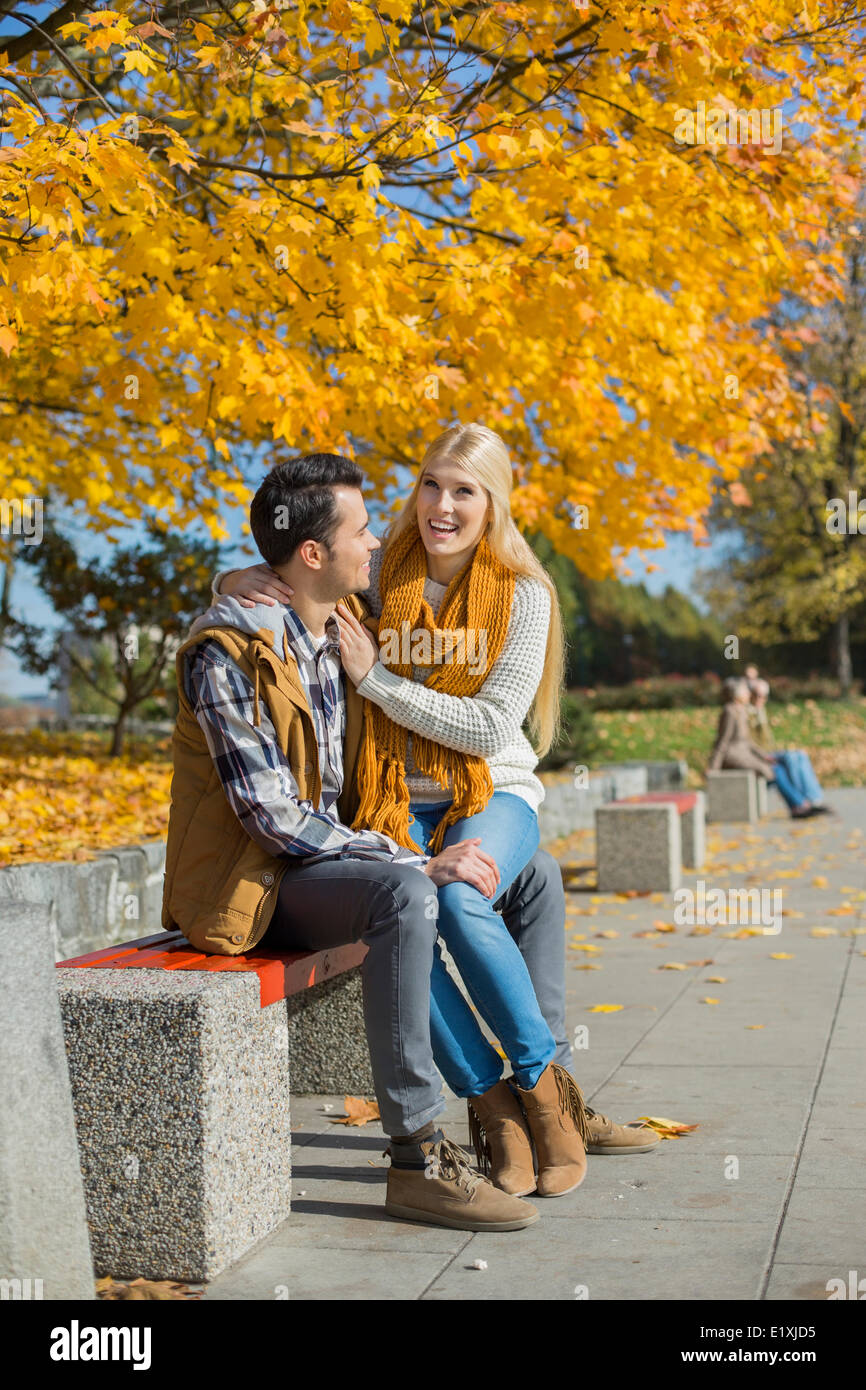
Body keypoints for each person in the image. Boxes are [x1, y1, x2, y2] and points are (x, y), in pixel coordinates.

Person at [217, 425, 659, 1200]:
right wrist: (231, 577)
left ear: (494, 504)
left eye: (464, 490)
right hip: (388, 799)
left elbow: (492, 727)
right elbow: (304, 571)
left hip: (493, 790)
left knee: (458, 894)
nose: (442, 506)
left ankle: (542, 1091)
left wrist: (378, 679)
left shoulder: (525, 594)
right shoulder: (381, 571)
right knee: (399, 911)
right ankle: (492, 1104)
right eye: (431, 485)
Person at [163, 452, 547, 1233]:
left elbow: (430, 591)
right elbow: (270, 816)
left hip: (314, 867)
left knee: (527, 874)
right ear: (313, 554)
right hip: (251, 884)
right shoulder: (227, 654)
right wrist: (413, 856)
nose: (377, 544)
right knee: (407, 893)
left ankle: (548, 1097)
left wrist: (235, 571)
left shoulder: (333, 625)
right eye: (362, 531)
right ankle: (417, 1154)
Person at [707, 678, 822, 817]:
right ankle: (798, 805)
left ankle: (799, 804)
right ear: (736, 694)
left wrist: (764, 756)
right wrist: (713, 766)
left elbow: (747, 741)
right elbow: (722, 741)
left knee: (776, 767)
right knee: (773, 770)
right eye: (745, 692)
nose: (748, 694)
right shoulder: (729, 711)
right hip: (733, 756)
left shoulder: (740, 711)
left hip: (744, 754)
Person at [746, 675, 831, 814]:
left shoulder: (759, 712)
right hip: (759, 755)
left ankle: (814, 799)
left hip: (769, 752)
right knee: (790, 759)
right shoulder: (746, 713)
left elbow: (768, 741)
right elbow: (746, 742)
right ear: (750, 695)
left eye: (764, 696)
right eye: (757, 695)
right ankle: (806, 801)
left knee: (800, 755)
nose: (761, 699)